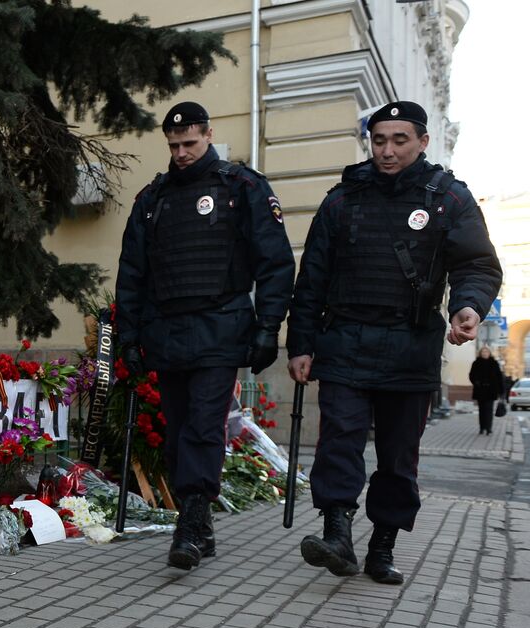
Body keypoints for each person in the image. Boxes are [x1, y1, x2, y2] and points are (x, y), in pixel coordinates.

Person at [287, 100, 502, 584]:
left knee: (398, 454)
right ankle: (337, 535)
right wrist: (301, 344)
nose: (386, 150)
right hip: (344, 339)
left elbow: (476, 265)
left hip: (410, 344)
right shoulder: (343, 199)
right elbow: (313, 278)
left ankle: (382, 545)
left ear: (422, 141)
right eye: (378, 140)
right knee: (338, 440)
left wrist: (468, 307)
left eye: (399, 140)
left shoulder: (448, 199)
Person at [115, 100, 296, 569]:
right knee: (177, 433)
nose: (180, 153)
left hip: (221, 325)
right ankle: (201, 524)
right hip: (167, 331)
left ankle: (192, 520)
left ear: (209, 134)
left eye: (189, 143)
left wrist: (268, 328)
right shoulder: (153, 200)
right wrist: (128, 338)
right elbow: (132, 272)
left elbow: (274, 262)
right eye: (173, 145)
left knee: (201, 423)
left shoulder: (242, 188)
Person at [469, 347, 504, 435]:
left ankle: (489, 428)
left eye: (486, 351)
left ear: (489, 353)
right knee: (481, 410)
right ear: (480, 353)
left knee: (489, 410)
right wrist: (476, 382)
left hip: (491, 390)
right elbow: (471, 375)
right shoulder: (476, 363)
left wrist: (501, 390)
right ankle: (482, 428)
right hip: (480, 390)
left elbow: (499, 377)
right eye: (483, 352)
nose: (485, 353)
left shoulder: (494, 363)